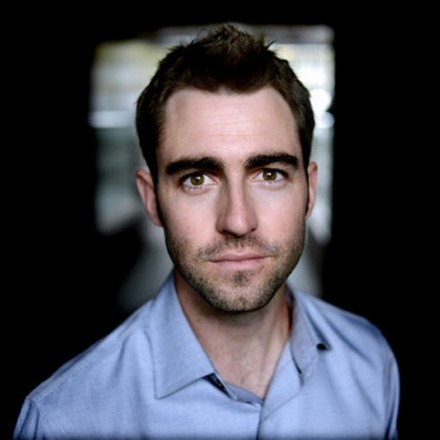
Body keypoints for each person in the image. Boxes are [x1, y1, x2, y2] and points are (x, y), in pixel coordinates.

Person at [14, 22, 400, 439]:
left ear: (309, 190)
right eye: (197, 179)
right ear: (152, 200)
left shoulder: (371, 362)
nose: (237, 221)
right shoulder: (65, 421)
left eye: (269, 174)